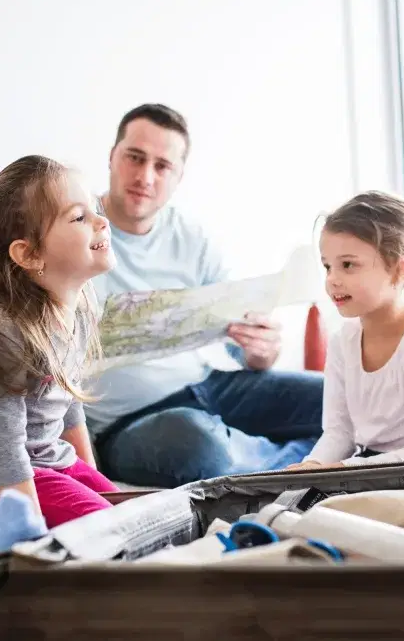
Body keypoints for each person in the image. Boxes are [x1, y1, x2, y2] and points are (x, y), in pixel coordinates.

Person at [86, 103, 324, 488]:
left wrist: (259, 351)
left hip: (210, 386)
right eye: (134, 157)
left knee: (336, 399)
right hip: (129, 421)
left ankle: (273, 458)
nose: (145, 176)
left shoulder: (192, 237)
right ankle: (308, 462)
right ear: (113, 157)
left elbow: (238, 345)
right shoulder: (75, 230)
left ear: (178, 176)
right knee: (202, 447)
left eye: (162, 166)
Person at [0, 155, 120, 528]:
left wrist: (97, 487)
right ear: (30, 254)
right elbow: (1, 449)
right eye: (80, 217)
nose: (103, 222)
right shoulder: (6, 332)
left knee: (135, 515)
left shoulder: (80, 306)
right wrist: (32, 535)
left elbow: (66, 405)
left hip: (47, 460)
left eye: (95, 210)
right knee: (110, 530)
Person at [285, 191, 404, 470]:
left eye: (348, 265)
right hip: (364, 468)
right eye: (327, 266)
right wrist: (311, 465)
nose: (332, 279)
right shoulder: (343, 341)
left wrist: (342, 471)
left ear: (400, 269)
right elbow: (339, 433)